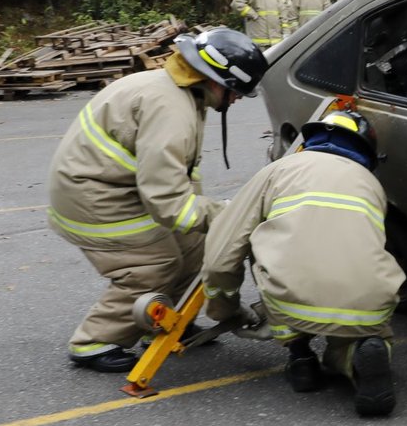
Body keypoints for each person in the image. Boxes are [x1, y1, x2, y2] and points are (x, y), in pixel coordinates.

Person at [47, 28, 266, 372]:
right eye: (236, 90)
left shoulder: (182, 91)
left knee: (194, 248)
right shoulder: (171, 109)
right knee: (152, 266)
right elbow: (167, 201)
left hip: (118, 189)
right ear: (216, 80)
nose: (237, 99)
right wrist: (226, 214)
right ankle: (94, 341)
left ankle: (164, 320)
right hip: (94, 200)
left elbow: (180, 174)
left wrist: (205, 220)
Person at [200, 110, 404, 417]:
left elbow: (221, 255)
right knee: (351, 283)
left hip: (290, 300)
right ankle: (354, 356)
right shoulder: (372, 185)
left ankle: (300, 357)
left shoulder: (279, 170)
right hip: (370, 302)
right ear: (364, 149)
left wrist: (224, 308)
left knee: (267, 243)